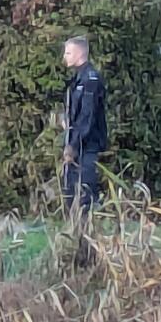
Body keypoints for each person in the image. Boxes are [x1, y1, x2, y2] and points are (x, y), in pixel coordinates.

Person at [62, 36, 107, 213]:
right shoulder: (77, 80)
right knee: (71, 192)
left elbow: (87, 117)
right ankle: (75, 232)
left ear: (80, 53)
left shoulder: (90, 80)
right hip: (77, 144)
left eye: (68, 53)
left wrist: (73, 145)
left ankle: (90, 232)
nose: (64, 57)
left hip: (88, 146)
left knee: (86, 195)